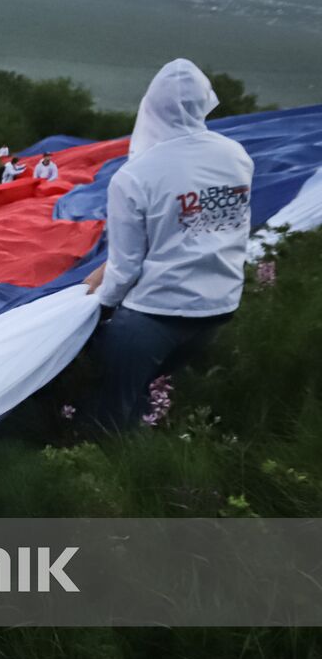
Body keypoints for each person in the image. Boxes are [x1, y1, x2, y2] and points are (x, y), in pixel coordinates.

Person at [84, 59, 254, 429]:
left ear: (151, 107)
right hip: (219, 306)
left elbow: (126, 266)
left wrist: (99, 307)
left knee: (113, 406)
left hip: (157, 313)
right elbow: (218, 227)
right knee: (151, 389)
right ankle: (148, 441)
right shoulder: (236, 155)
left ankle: (107, 457)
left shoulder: (135, 176)